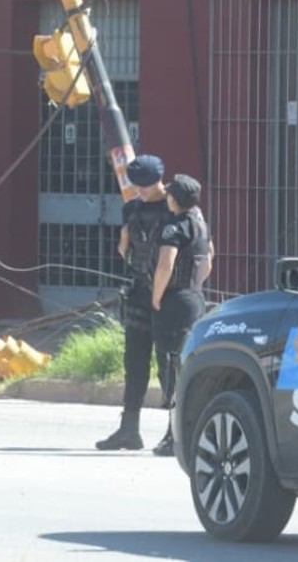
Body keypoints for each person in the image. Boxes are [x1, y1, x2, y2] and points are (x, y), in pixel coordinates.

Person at [95, 153, 170, 451]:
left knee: (169, 367)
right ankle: (129, 429)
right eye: (137, 185)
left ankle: (175, 432)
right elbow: (125, 254)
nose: (140, 190)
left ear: (158, 181)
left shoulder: (176, 206)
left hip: (169, 298)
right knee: (135, 364)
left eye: (146, 185)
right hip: (139, 293)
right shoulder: (132, 210)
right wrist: (123, 241)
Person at [149, 173, 212, 457]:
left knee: (171, 367)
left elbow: (166, 263)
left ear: (174, 198)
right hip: (196, 298)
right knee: (185, 365)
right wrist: (195, 287)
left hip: (175, 301)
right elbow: (209, 257)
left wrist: (156, 296)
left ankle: (173, 435)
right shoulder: (200, 222)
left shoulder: (174, 227)